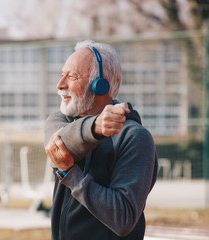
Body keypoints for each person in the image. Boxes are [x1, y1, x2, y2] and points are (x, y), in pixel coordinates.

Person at [44, 40, 158, 240]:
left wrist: (71, 174)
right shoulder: (59, 120)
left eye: (72, 76)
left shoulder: (135, 137)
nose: (60, 85)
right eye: (62, 75)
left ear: (100, 85)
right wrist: (95, 128)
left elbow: (123, 219)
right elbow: (58, 148)